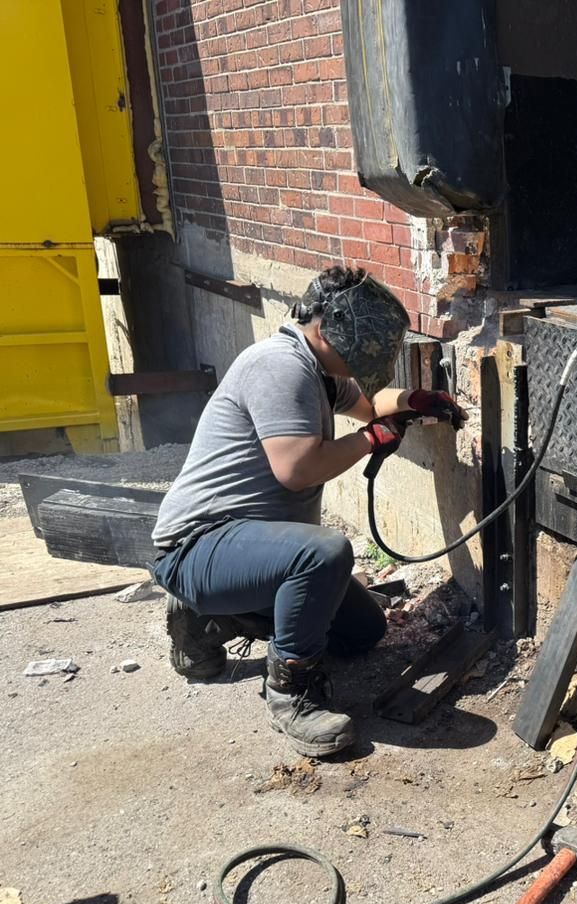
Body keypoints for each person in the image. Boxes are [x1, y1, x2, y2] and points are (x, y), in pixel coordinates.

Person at [150, 265, 467, 757]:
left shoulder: (317, 368)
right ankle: (290, 693)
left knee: (364, 631)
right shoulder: (279, 367)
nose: (357, 364)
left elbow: (369, 405)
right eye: (355, 352)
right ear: (324, 329)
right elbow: (298, 470)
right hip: (197, 545)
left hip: (246, 546)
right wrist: (368, 441)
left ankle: (215, 619)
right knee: (324, 554)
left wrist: (412, 399)